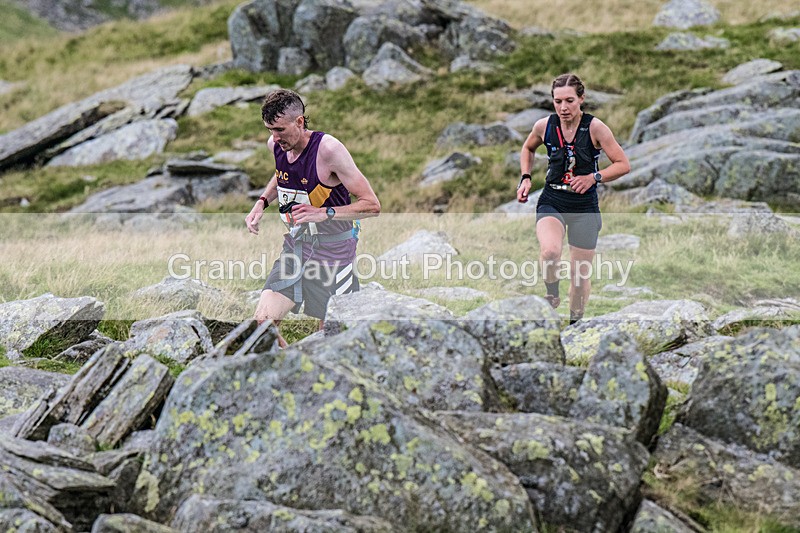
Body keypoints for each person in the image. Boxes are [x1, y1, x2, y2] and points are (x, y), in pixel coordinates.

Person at [246, 89, 380, 346]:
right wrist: (262, 202)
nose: (274, 137)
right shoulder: (276, 145)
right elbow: (282, 174)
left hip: (335, 254)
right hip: (296, 247)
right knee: (262, 326)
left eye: (280, 130)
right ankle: (293, 372)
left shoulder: (328, 150)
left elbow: (372, 205)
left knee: (332, 339)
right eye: (269, 129)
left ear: (299, 121)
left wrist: (323, 213)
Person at [516, 73, 630, 324]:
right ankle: (552, 293)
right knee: (550, 252)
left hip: (584, 207)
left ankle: (575, 324)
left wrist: (594, 177)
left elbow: (623, 164)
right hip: (552, 199)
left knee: (579, 277)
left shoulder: (596, 128)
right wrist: (525, 177)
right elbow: (528, 148)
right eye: (558, 101)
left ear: (581, 99)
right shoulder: (544, 126)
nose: (563, 107)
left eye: (569, 100)